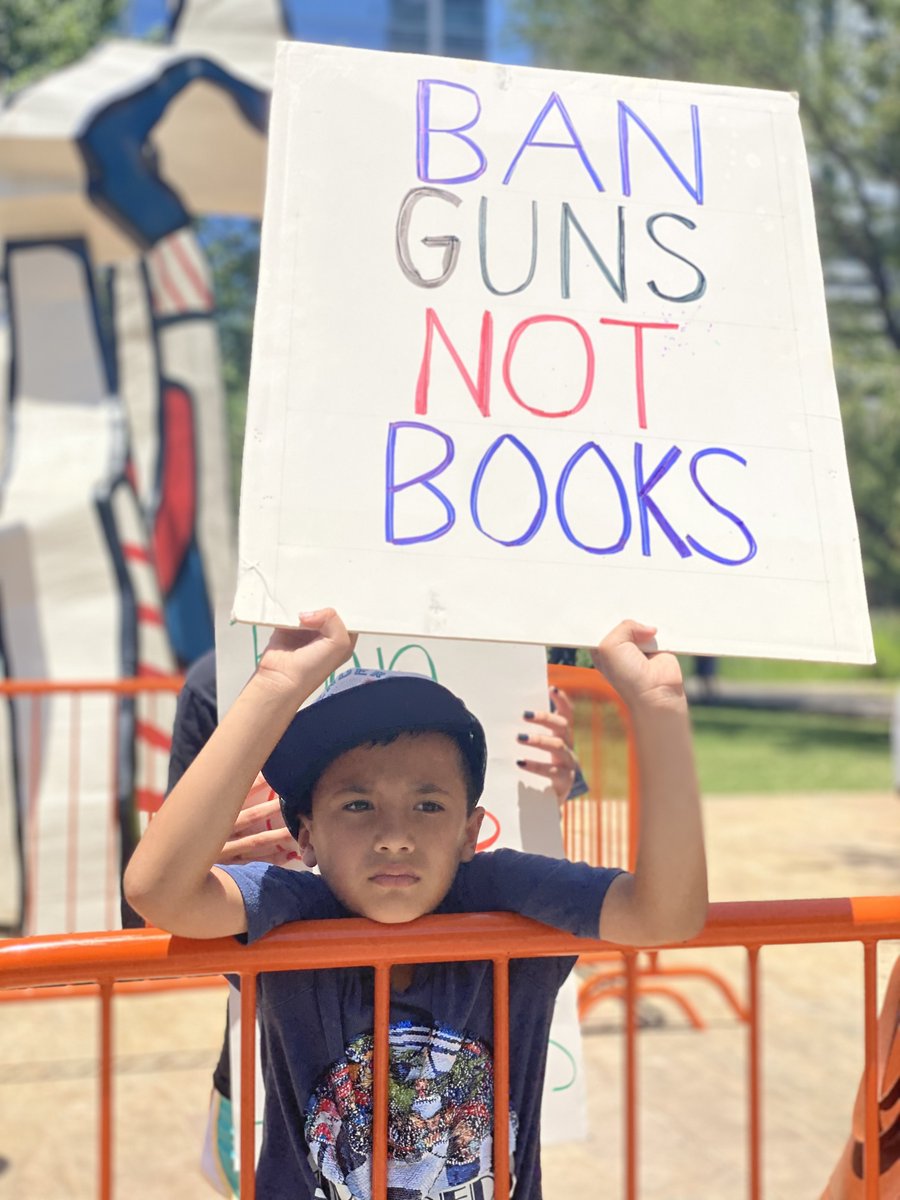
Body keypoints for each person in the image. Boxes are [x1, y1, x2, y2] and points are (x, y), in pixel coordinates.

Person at [124, 608, 707, 1200]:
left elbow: (665, 915)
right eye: (357, 805)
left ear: (470, 830)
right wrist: (277, 683)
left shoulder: (508, 898)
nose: (395, 835)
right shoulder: (286, 910)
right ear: (304, 837)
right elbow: (157, 890)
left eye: (428, 806)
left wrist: (659, 708)